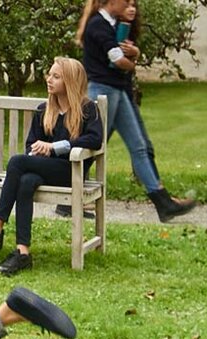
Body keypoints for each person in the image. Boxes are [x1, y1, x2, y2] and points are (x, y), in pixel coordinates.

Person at [0, 58, 104, 276]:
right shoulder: (44, 110)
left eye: (56, 76)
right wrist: (38, 150)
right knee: (26, 181)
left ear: (71, 81)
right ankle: (23, 252)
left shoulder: (87, 109)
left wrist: (54, 147)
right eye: (49, 74)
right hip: (45, 169)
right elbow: (31, 143)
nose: (49, 79)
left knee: (17, 162)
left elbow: (95, 140)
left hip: (71, 172)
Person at [77, 0, 197, 222]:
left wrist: (134, 54)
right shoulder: (98, 25)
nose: (129, 5)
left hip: (116, 91)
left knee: (138, 145)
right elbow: (118, 60)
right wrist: (134, 60)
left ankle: (163, 203)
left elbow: (121, 57)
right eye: (126, 1)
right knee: (93, 145)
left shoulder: (113, 24)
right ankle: (67, 196)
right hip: (103, 92)